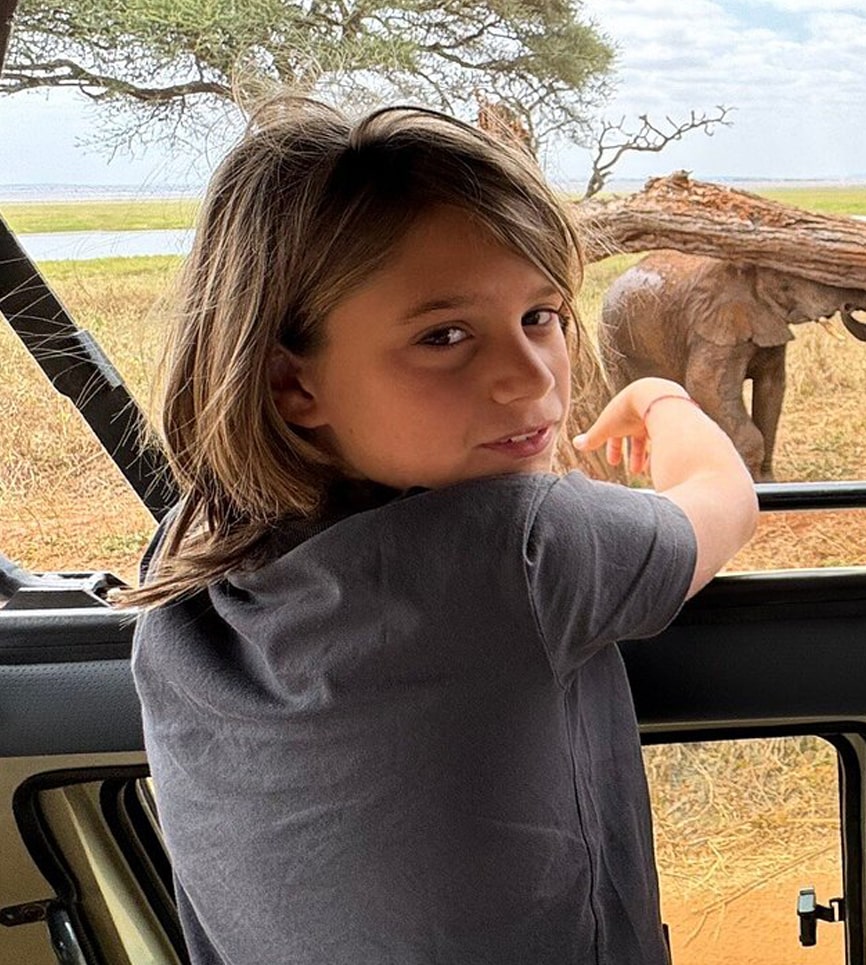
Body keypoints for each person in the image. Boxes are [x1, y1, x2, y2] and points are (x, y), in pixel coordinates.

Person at [121, 99, 758, 964]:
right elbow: (724, 498)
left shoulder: (186, 547)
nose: (532, 378)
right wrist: (660, 396)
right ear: (292, 385)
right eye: (445, 335)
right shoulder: (514, 547)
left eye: (542, 315)